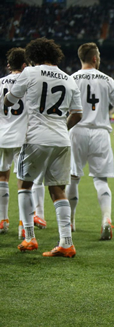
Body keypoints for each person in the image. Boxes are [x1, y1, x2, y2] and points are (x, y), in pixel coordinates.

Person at [4, 37, 82, 258]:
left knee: (24, 184)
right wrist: (62, 129)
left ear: (33, 56)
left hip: (36, 137)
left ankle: (29, 237)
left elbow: (10, 100)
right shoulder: (69, 79)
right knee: (58, 190)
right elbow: (77, 114)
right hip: (61, 139)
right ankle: (66, 243)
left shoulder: (29, 72)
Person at [66, 42, 114, 240]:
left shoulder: (72, 79)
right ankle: (106, 219)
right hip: (100, 133)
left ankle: (71, 221)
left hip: (77, 131)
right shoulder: (107, 80)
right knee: (101, 180)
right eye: (98, 55)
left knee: (73, 177)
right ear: (94, 58)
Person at [0, 48, 27, 235]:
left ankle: (2, 220)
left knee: (2, 176)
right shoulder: (29, 82)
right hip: (22, 137)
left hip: (1, 136)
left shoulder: (0, 82)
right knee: (23, 181)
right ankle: (23, 226)